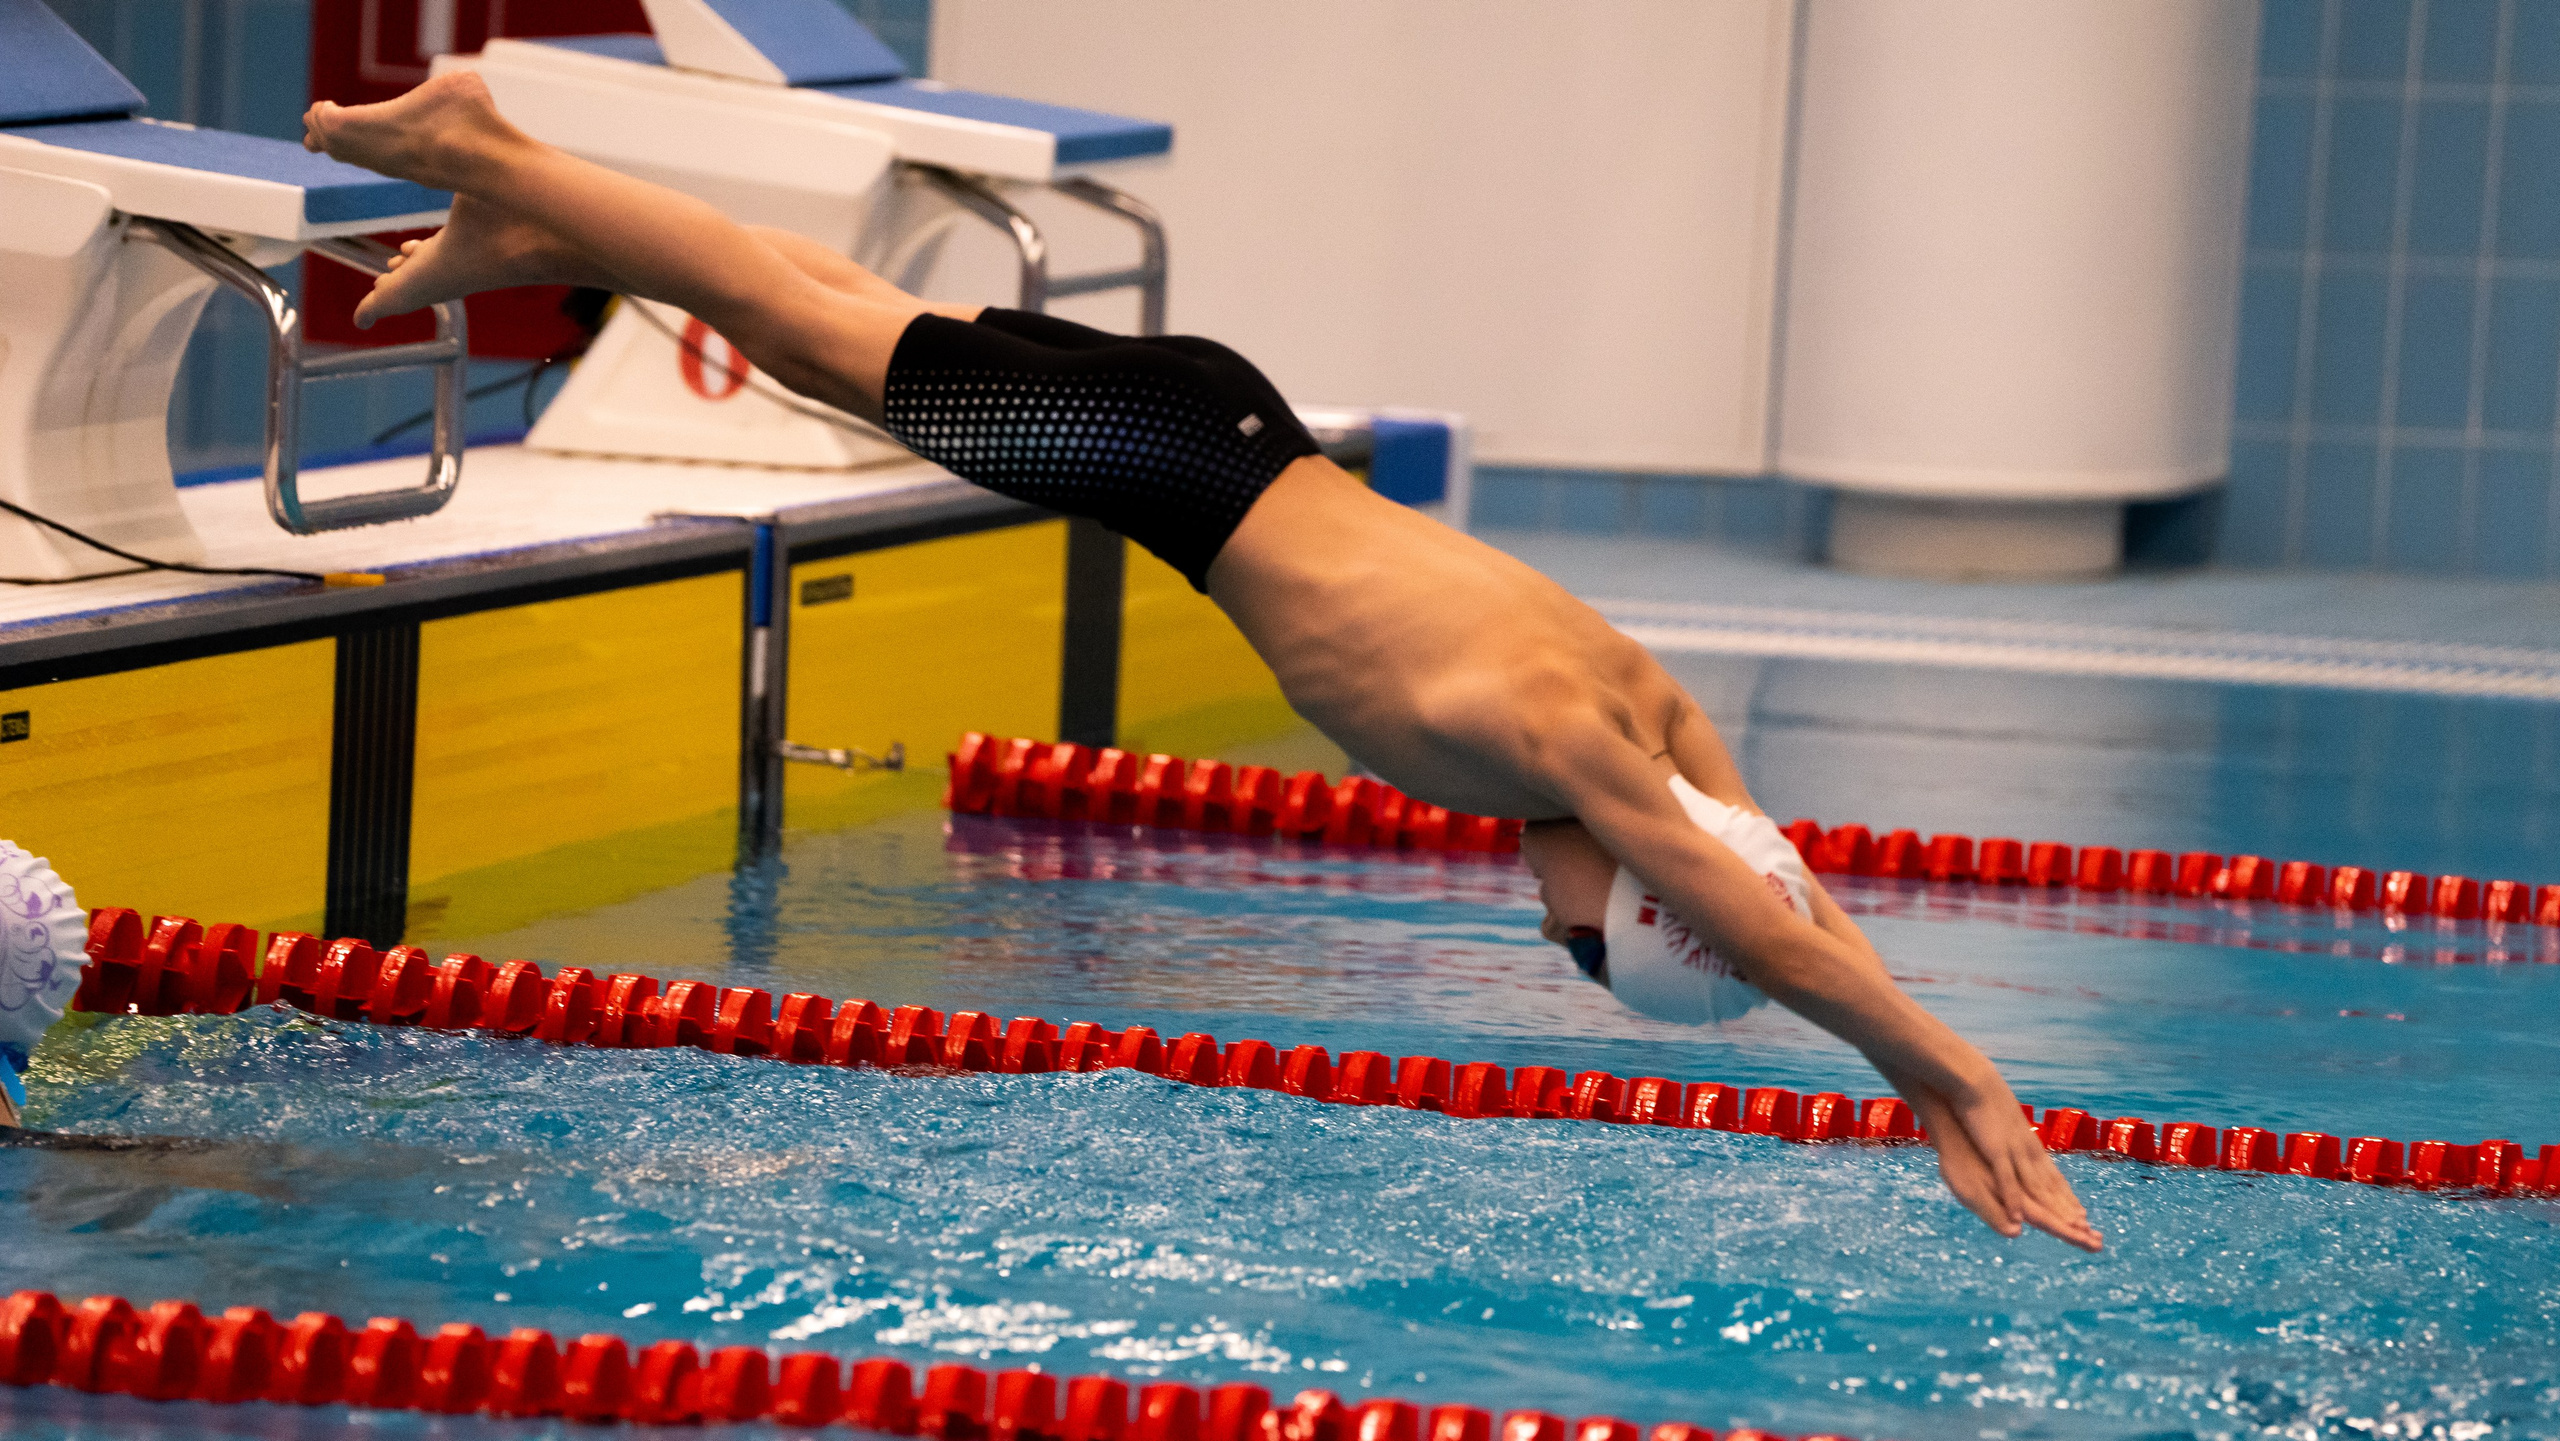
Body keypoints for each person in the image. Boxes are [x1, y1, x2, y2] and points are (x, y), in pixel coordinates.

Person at [302, 73, 2101, 1252]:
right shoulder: (1579, 745)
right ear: (1632, 892)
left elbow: (1769, 885)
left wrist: (1864, 1002)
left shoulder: (1654, 718)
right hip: (1184, 465)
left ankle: (535, 223)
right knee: (807, 324)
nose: (1541, 918)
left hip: (1213, 432)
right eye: (1578, 938)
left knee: (834, 338)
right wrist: (1946, 1074)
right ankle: (494, 147)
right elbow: (1759, 910)